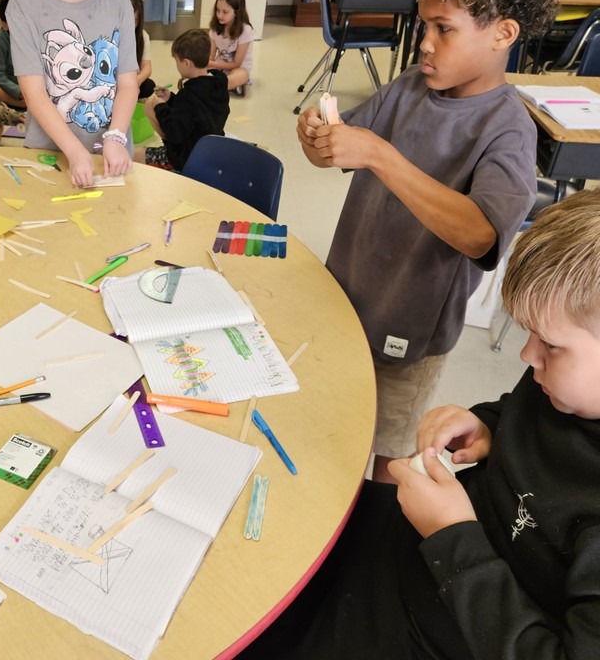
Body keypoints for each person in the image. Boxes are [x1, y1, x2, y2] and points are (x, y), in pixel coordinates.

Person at [249, 188, 600, 659]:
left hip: (447, 625)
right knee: (282, 512)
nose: (526, 356)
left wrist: (451, 536)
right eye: (528, 334)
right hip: (418, 548)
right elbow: (524, 420)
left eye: (551, 345)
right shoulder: (565, 388)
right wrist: (485, 426)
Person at [296, 0, 559, 482]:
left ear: (502, 34)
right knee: (329, 428)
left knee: (389, 459)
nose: (425, 44)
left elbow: (481, 234)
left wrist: (382, 157)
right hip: (345, 298)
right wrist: (318, 136)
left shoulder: (507, 127)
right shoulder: (409, 87)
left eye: (445, 29)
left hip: (408, 334)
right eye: (423, 26)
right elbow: (342, 149)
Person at [6, 0, 138, 188]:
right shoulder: (24, 4)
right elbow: (34, 94)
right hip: (51, 155)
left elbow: (128, 82)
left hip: (110, 155)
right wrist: (75, 151)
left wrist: (116, 136)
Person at [138, 28, 229, 172]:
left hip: (187, 159)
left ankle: (174, 165)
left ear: (187, 63)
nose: (177, 66)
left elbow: (175, 132)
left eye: (177, 62)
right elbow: (196, 113)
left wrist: (160, 107)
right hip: (211, 149)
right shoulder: (219, 81)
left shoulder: (188, 96)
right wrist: (171, 98)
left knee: (133, 155)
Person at [208, 0, 253, 96]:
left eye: (225, 12)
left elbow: (237, 63)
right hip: (219, 66)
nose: (219, 15)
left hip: (238, 68)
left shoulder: (245, 30)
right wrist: (208, 64)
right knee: (199, 67)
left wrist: (212, 63)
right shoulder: (215, 29)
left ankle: (213, 85)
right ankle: (223, 85)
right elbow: (210, 56)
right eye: (217, 10)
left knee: (241, 75)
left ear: (237, 12)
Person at [128, 0, 156, 100]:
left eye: (135, 21)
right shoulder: (110, 33)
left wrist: (137, 81)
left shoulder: (142, 36)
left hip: (132, 80)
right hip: (114, 81)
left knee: (149, 86)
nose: (130, 25)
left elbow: (147, 67)